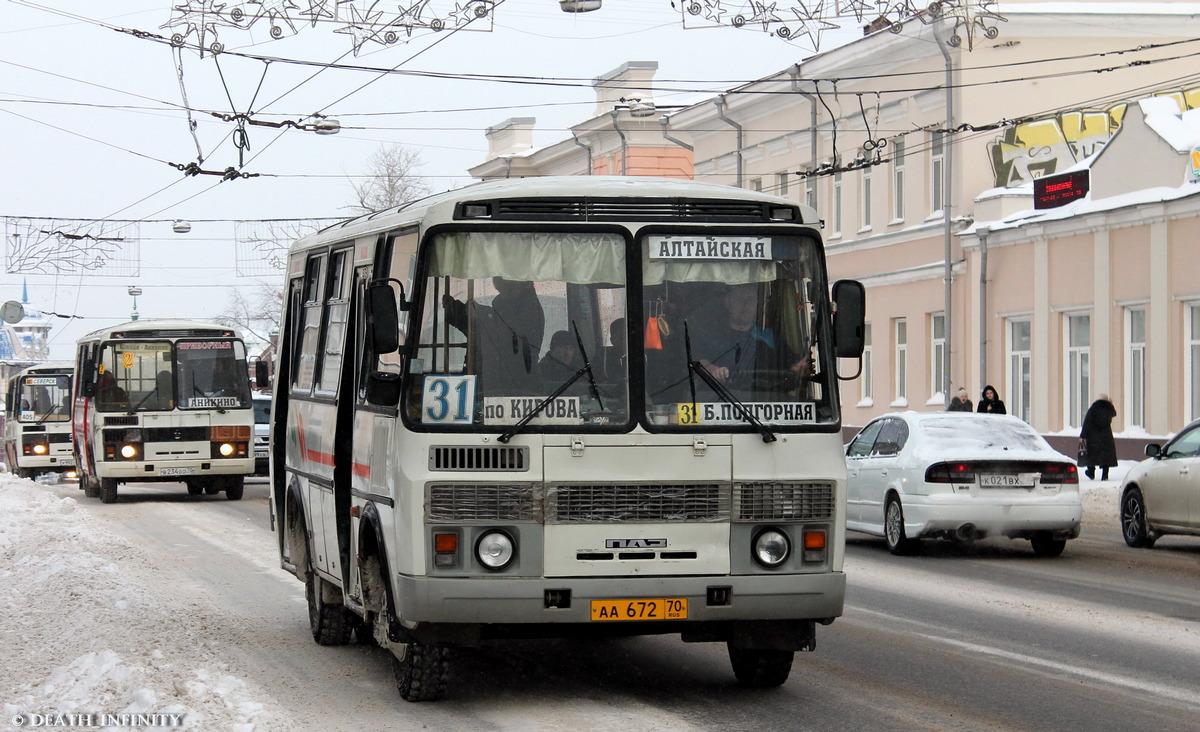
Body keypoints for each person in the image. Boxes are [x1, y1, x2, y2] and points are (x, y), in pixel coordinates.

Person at [689, 283, 812, 389]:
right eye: (739, 299)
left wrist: (799, 368)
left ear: (758, 304)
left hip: (762, 406)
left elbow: (794, 365)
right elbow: (698, 361)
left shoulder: (768, 337)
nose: (745, 304)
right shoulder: (712, 335)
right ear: (727, 302)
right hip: (716, 402)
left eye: (750, 299)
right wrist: (712, 370)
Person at [443, 277, 545, 395]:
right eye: (500, 288)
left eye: (506, 287)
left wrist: (469, 311)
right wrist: (457, 310)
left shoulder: (529, 308)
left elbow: (504, 331)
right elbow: (480, 332)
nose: (502, 291)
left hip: (517, 383)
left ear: (520, 284)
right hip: (493, 378)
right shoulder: (504, 308)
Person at [1079, 394, 1118, 480]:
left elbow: (1087, 422)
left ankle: (1091, 472)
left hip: (1093, 436)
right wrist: (1110, 404)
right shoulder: (1109, 410)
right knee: (1105, 456)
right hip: (1106, 436)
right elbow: (1112, 414)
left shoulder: (1093, 409)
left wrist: (1082, 435)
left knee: (1092, 455)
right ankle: (1105, 475)